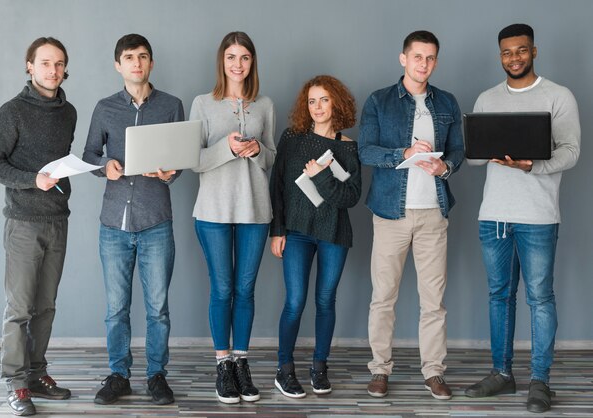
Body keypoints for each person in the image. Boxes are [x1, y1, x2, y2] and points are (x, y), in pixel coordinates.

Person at [464, 24, 580, 414]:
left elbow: (571, 152)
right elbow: (475, 157)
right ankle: (502, 373)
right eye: (507, 52)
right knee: (500, 296)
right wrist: (489, 149)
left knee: (540, 298)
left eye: (521, 50)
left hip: (538, 216)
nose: (514, 58)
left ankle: (540, 381)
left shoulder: (558, 96)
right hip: (494, 215)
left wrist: (534, 165)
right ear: (500, 56)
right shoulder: (486, 99)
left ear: (534, 51)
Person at [358, 30, 464, 400]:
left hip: (434, 212)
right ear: (403, 58)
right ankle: (380, 369)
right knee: (383, 297)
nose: (424, 64)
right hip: (390, 213)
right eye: (418, 57)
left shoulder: (447, 102)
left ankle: (433, 372)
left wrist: (444, 167)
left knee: (433, 301)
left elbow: (458, 153)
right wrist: (403, 153)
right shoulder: (379, 101)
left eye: (431, 58)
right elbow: (365, 152)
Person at [82, 33, 184, 406]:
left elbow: (181, 160)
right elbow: (90, 154)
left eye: (143, 56)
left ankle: (157, 375)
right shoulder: (105, 108)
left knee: (158, 308)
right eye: (129, 57)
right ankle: (118, 375)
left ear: (151, 63)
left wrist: (171, 173)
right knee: (115, 309)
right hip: (114, 223)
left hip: (156, 219)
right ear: (118, 65)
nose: (137, 63)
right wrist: (102, 166)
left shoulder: (172, 105)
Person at [0, 37, 76, 416]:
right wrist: (31, 180)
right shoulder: (12, 112)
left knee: (46, 307)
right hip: (22, 222)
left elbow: (64, 161)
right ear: (30, 66)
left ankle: (37, 373)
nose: (52, 70)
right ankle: (16, 384)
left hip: (58, 220)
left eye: (59, 64)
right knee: (19, 308)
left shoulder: (68, 112)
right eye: (45, 63)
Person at [190, 31, 276, 404]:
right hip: (213, 211)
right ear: (221, 61)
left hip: (255, 210)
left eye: (244, 57)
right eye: (231, 57)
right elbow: (194, 161)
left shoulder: (265, 105)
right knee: (222, 289)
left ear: (252, 62)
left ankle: (242, 361)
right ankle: (223, 363)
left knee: (245, 290)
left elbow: (272, 157)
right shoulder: (203, 103)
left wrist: (257, 150)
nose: (237, 64)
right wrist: (226, 147)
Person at [269, 75, 361, 398]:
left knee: (326, 301)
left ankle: (319, 367)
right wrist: (276, 230)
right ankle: (284, 369)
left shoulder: (348, 147)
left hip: (334, 232)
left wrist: (321, 177)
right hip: (295, 232)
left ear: (335, 101)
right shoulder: (292, 138)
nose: (317, 107)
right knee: (294, 302)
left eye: (323, 100)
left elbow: (350, 197)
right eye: (311, 101)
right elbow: (277, 186)